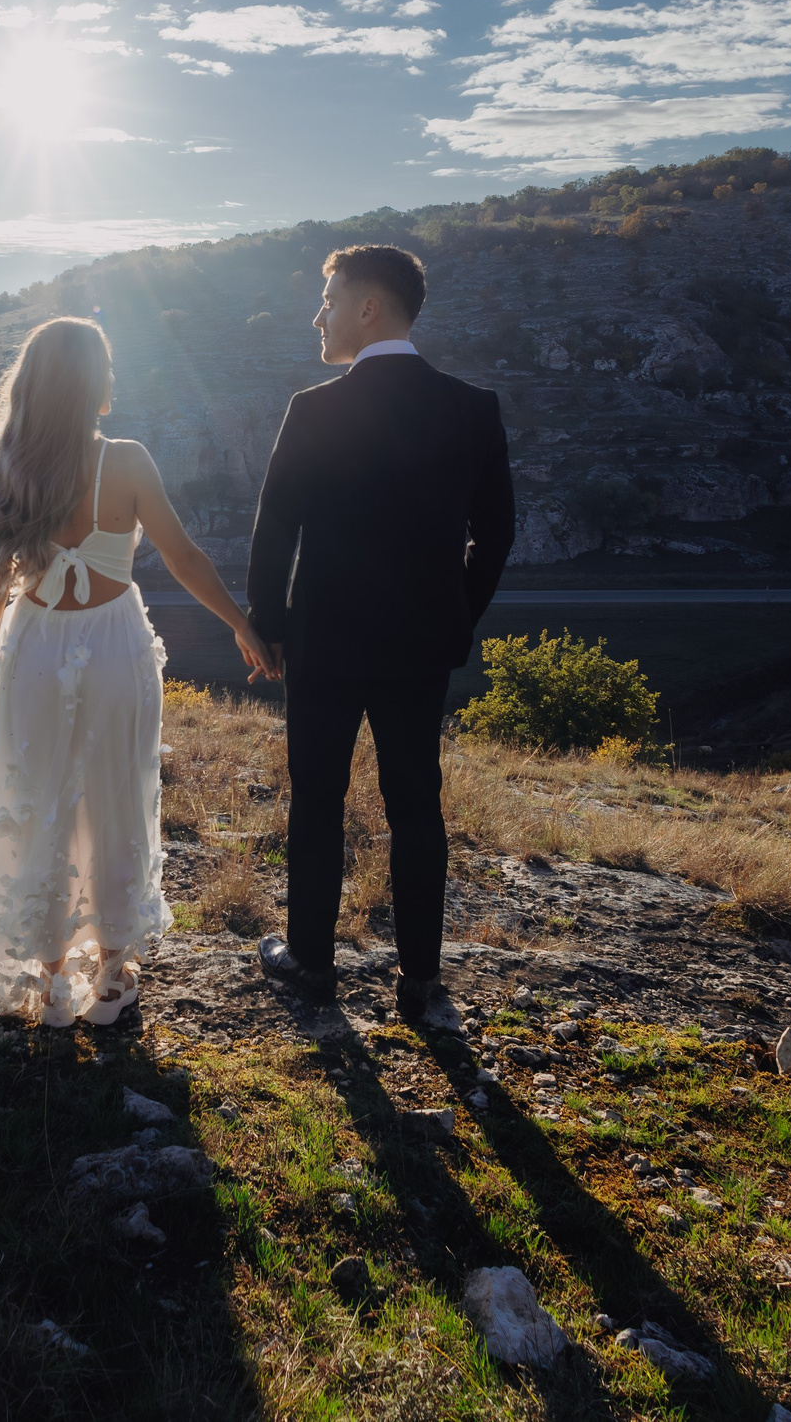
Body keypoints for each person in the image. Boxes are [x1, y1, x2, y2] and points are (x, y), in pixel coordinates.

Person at [0, 316, 274, 1027]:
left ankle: (52, 974)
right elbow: (185, 557)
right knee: (116, 796)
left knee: (33, 794)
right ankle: (115, 971)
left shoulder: (9, 468)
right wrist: (240, 623)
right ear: (96, 385)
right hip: (115, 647)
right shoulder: (125, 461)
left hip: (35, 645)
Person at [246, 245, 515, 1024]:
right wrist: (455, 618)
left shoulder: (314, 408)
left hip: (322, 646)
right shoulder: (473, 408)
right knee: (416, 807)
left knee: (317, 804)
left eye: (329, 298)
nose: (319, 314)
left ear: (370, 308)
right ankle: (422, 985)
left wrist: (269, 625)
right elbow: (494, 538)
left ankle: (310, 964)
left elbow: (274, 532)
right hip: (421, 648)